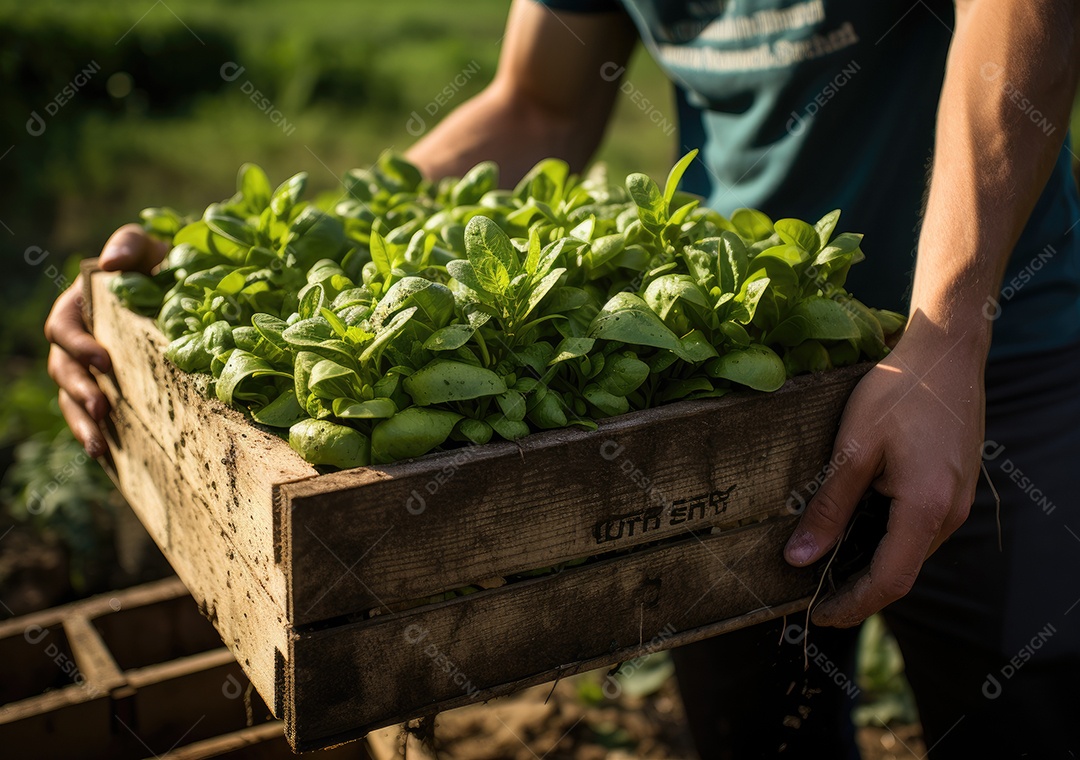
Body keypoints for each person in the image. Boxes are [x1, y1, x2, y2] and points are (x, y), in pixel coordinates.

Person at [46, 1, 1080, 757]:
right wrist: (223, 258)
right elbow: (536, 106)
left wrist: (946, 334)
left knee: (1021, 715)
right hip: (715, 382)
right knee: (754, 731)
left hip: (993, 353)